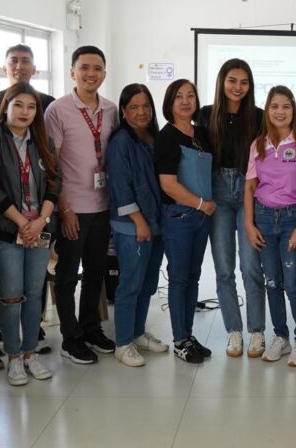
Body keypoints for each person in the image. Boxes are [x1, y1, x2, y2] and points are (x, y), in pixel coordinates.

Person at [45, 45, 117, 364]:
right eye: (84, 67)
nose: (91, 73)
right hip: (72, 208)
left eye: (97, 68)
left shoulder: (111, 110)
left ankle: (91, 327)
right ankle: (70, 337)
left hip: (103, 207)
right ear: (72, 71)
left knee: (96, 272)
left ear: (104, 73)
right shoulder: (58, 110)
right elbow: (51, 165)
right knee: (66, 275)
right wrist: (64, 209)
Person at [244, 86, 296, 367]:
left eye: (286, 106)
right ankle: (281, 336)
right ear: (267, 110)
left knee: (292, 283)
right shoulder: (258, 144)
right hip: (264, 219)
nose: (280, 111)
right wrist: (249, 225)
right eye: (274, 106)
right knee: (272, 282)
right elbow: (250, 186)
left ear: (293, 110)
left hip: (292, 218)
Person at [195, 59, 266, 358]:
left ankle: (257, 332)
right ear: (222, 81)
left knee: (251, 267)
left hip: (251, 193)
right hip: (218, 194)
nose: (238, 87)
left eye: (244, 82)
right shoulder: (206, 115)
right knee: (224, 269)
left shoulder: (260, 117)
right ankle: (233, 332)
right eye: (232, 80)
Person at [0, 83, 59, 386]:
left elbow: (54, 184)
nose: (24, 112)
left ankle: (31, 352)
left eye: (31, 107)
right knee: (11, 296)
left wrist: (41, 220)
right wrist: (22, 222)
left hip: (39, 230)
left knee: (34, 294)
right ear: (6, 105)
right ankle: (13, 356)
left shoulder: (44, 141)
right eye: (18, 105)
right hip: (8, 230)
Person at [106, 83, 170, 367]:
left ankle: (137, 332)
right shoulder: (121, 142)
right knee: (130, 286)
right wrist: (140, 221)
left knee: (148, 284)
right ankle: (122, 343)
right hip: (133, 226)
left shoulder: (152, 137)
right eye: (134, 107)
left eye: (146, 106)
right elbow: (121, 186)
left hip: (155, 223)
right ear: (123, 110)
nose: (141, 112)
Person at [156, 79, 215, 363]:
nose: (185, 101)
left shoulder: (200, 133)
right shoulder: (166, 137)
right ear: (169, 102)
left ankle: (188, 335)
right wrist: (202, 204)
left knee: (193, 277)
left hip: (201, 218)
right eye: (179, 96)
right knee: (179, 278)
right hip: (179, 217)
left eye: (191, 95)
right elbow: (168, 184)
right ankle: (180, 340)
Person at [0, 44, 55, 111]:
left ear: (34, 69)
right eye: (13, 61)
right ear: (4, 69)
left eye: (25, 61)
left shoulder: (49, 103)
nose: (19, 67)